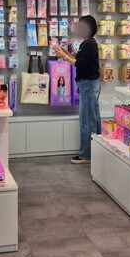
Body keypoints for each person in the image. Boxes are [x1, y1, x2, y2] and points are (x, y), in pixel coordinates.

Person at [54, 15, 101, 165]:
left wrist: (64, 57)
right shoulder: (86, 43)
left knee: (87, 120)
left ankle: (86, 154)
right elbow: (80, 61)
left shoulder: (90, 44)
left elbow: (80, 65)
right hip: (88, 84)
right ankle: (95, 151)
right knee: (92, 118)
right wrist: (66, 54)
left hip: (88, 85)